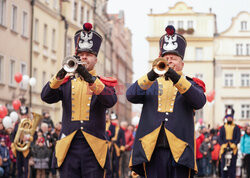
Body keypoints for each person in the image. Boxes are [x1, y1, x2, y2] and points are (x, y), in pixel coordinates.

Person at [126, 25, 206, 178]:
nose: (169, 62)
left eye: (174, 59)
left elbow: (199, 101)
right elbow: (131, 95)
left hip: (180, 151)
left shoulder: (191, 84)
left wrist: (176, 77)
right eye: (166, 58)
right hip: (151, 150)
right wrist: (151, 74)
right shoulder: (150, 83)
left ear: (182, 64)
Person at [41, 22, 117, 178]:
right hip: (69, 147)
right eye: (81, 54)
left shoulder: (102, 83)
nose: (83, 57)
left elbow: (110, 100)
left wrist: (89, 78)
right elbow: (46, 96)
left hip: (94, 149)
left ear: (96, 59)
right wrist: (62, 73)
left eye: (88, 55)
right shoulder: (66, 83)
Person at [218, 106, 241, 178]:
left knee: (232, 168)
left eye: (230, 117)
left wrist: (234, 144)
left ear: (232, 118)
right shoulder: (222, 128)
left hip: (233, 149)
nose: (229, 118)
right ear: (226, 118)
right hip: (224, 149)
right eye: (228, 117)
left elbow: (238, 137)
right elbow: (220, 138)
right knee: (223, 168)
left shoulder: (236, 127)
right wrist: (223, 145)